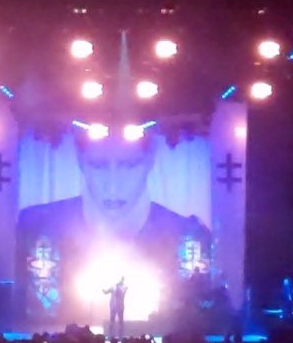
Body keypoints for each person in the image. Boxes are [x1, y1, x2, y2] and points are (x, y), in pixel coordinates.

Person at [16, 130, 211, 320]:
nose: (113, 186)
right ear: (80, 161)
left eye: (129, 165)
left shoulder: (188, 234)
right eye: (98, 165)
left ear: (151, 159)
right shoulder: (36, 225)